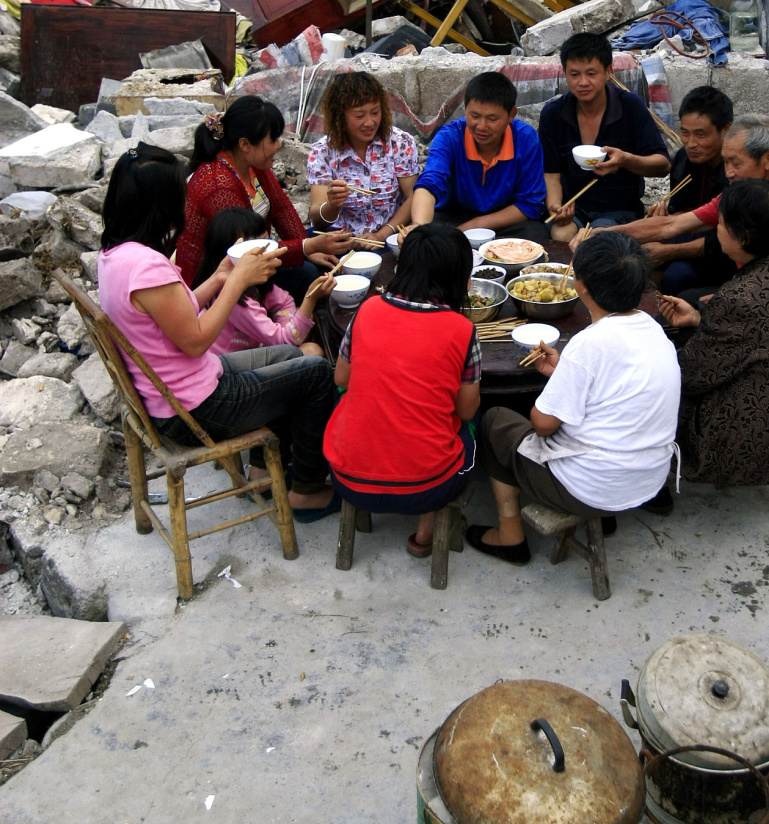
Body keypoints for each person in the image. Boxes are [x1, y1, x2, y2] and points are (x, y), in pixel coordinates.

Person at [98, 144, 340, 522]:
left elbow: (177, 313)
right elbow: (194, 340)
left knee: (293, 357)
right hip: (194, 409)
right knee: (317, 374)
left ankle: (261, 471)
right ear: (161, 205)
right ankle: (306, 491)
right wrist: (237, 283)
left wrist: (220, 276)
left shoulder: (117, 255)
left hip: (183, 387)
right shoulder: (147, 267)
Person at [467, 232, 680, 565]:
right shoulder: (654, 329)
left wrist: (564, 376)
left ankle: (510, 536)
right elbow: (612, 390)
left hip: (592, 486)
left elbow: (543, 425)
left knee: (497, 419)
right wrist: (563, 374)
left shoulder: (588, 344)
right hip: (650, 476)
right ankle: (602, 514)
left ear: (580, 287)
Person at [614, 113, 769, 350]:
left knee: (695, 337)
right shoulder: (738, 196)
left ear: (768, 158)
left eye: (736, 163)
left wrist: (724, 304)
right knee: (678, 307)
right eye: (725, 162)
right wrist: (605, 235)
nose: (729, 172)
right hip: (759, 300)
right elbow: (671, 225)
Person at [658, 178, 769, 492]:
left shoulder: (739, 298)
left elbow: (689, 375)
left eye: (721, 224)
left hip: (745, 446)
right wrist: (699, 317)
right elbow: (766, 330)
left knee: (651, 386)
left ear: (746, 236)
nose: (717, 230)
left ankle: (647, 479)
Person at [325, 224, 479, 558]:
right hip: (428, 487)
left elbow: (342, 377)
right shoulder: (462, 330)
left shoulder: (367, 309)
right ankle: (425, 533)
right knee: (470, 425)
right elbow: (465, 411)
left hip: (347, 479)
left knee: (354, 401)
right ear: (461, 279)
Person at [175, 96, 353, 301]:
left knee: (326, 239)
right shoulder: (218, 185)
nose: (278, 145)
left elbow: (282, 209)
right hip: (219, 276)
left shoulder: (253, 164)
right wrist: (308, 248)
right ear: (245, 144)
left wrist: (307, 247)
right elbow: (247, 251)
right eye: (273, 139)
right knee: (307, 274)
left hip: (256, 253)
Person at [539, 33, 670, 242]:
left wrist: (625, 160)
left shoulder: (630, 107)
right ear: (564, 73)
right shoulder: (553, 114)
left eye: (591, 73)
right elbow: (551, 173)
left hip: (620, 211)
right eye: (574, 74)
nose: (583, 82)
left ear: (608, 71)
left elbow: (662, 164)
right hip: (575, 208)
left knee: (596, 242)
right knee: (561, 234)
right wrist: (556, 207)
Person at [410, 72, 547, 240]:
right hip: (452, 216)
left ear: (511, 114)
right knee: (430, 234)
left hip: (503, 221)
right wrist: (418, 227)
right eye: (474, 116)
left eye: (492, 118)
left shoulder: (526, 139)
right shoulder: (450, 137)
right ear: (465, 109)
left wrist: (472, 226)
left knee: (535, 233)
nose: (481, 126)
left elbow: (529, 204)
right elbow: (429, 184)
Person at [193, 208, 331, 357]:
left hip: (251, 349)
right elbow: (286, 341)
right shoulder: (235, 299)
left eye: (268, 242)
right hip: (227, 368)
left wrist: (284, 323)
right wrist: (311, 297)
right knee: (312, 351)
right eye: (261, 249)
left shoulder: (254, 282)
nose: (269, 253)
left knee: (301, 317)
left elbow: (284, 301)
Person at [642, 86, 734, 294]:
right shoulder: (684, 159)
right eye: (685, 133)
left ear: (725, 129)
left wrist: (667, 251)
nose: (691, 144)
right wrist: (663, 217)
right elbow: (680, 211)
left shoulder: (735, 170)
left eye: (701, 135)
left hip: (723, 253)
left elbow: (726, 239)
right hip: (688, 235)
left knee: (677, 275)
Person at [307, 72, 419, 242]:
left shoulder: (400, 142)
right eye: (359, 116)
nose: (369, 122)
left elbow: (413, 197)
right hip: (343, 239)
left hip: (391, 235)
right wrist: (332, 205)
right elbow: (317, 219)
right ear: (340, 117)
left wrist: (383, 234)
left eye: (375, 113)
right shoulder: (322, 152)